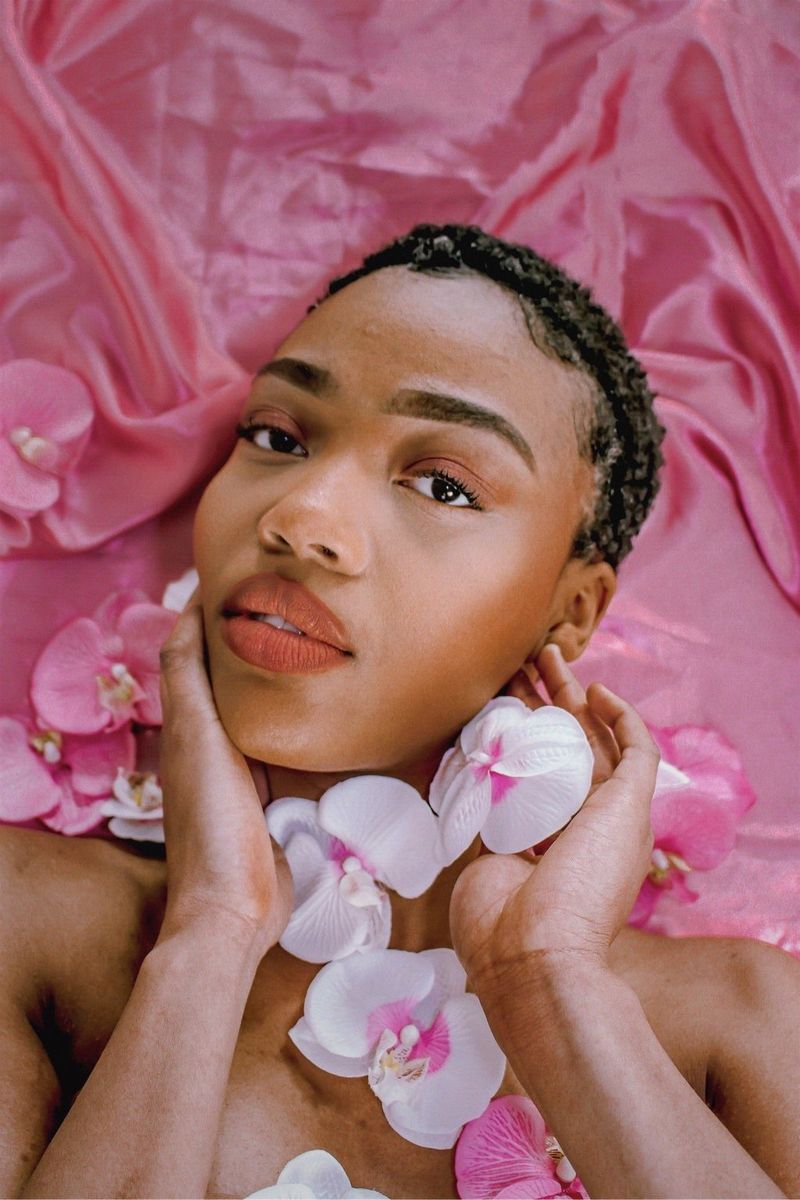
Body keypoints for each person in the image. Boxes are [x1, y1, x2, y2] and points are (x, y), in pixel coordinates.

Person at [2, 224, 798, 1200]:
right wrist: (209, 931)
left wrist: (550, 989)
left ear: (569, 609)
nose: (300, 520)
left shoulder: (748, 1027)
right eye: (278, 437)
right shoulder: (28, 924)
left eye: (442, 484)